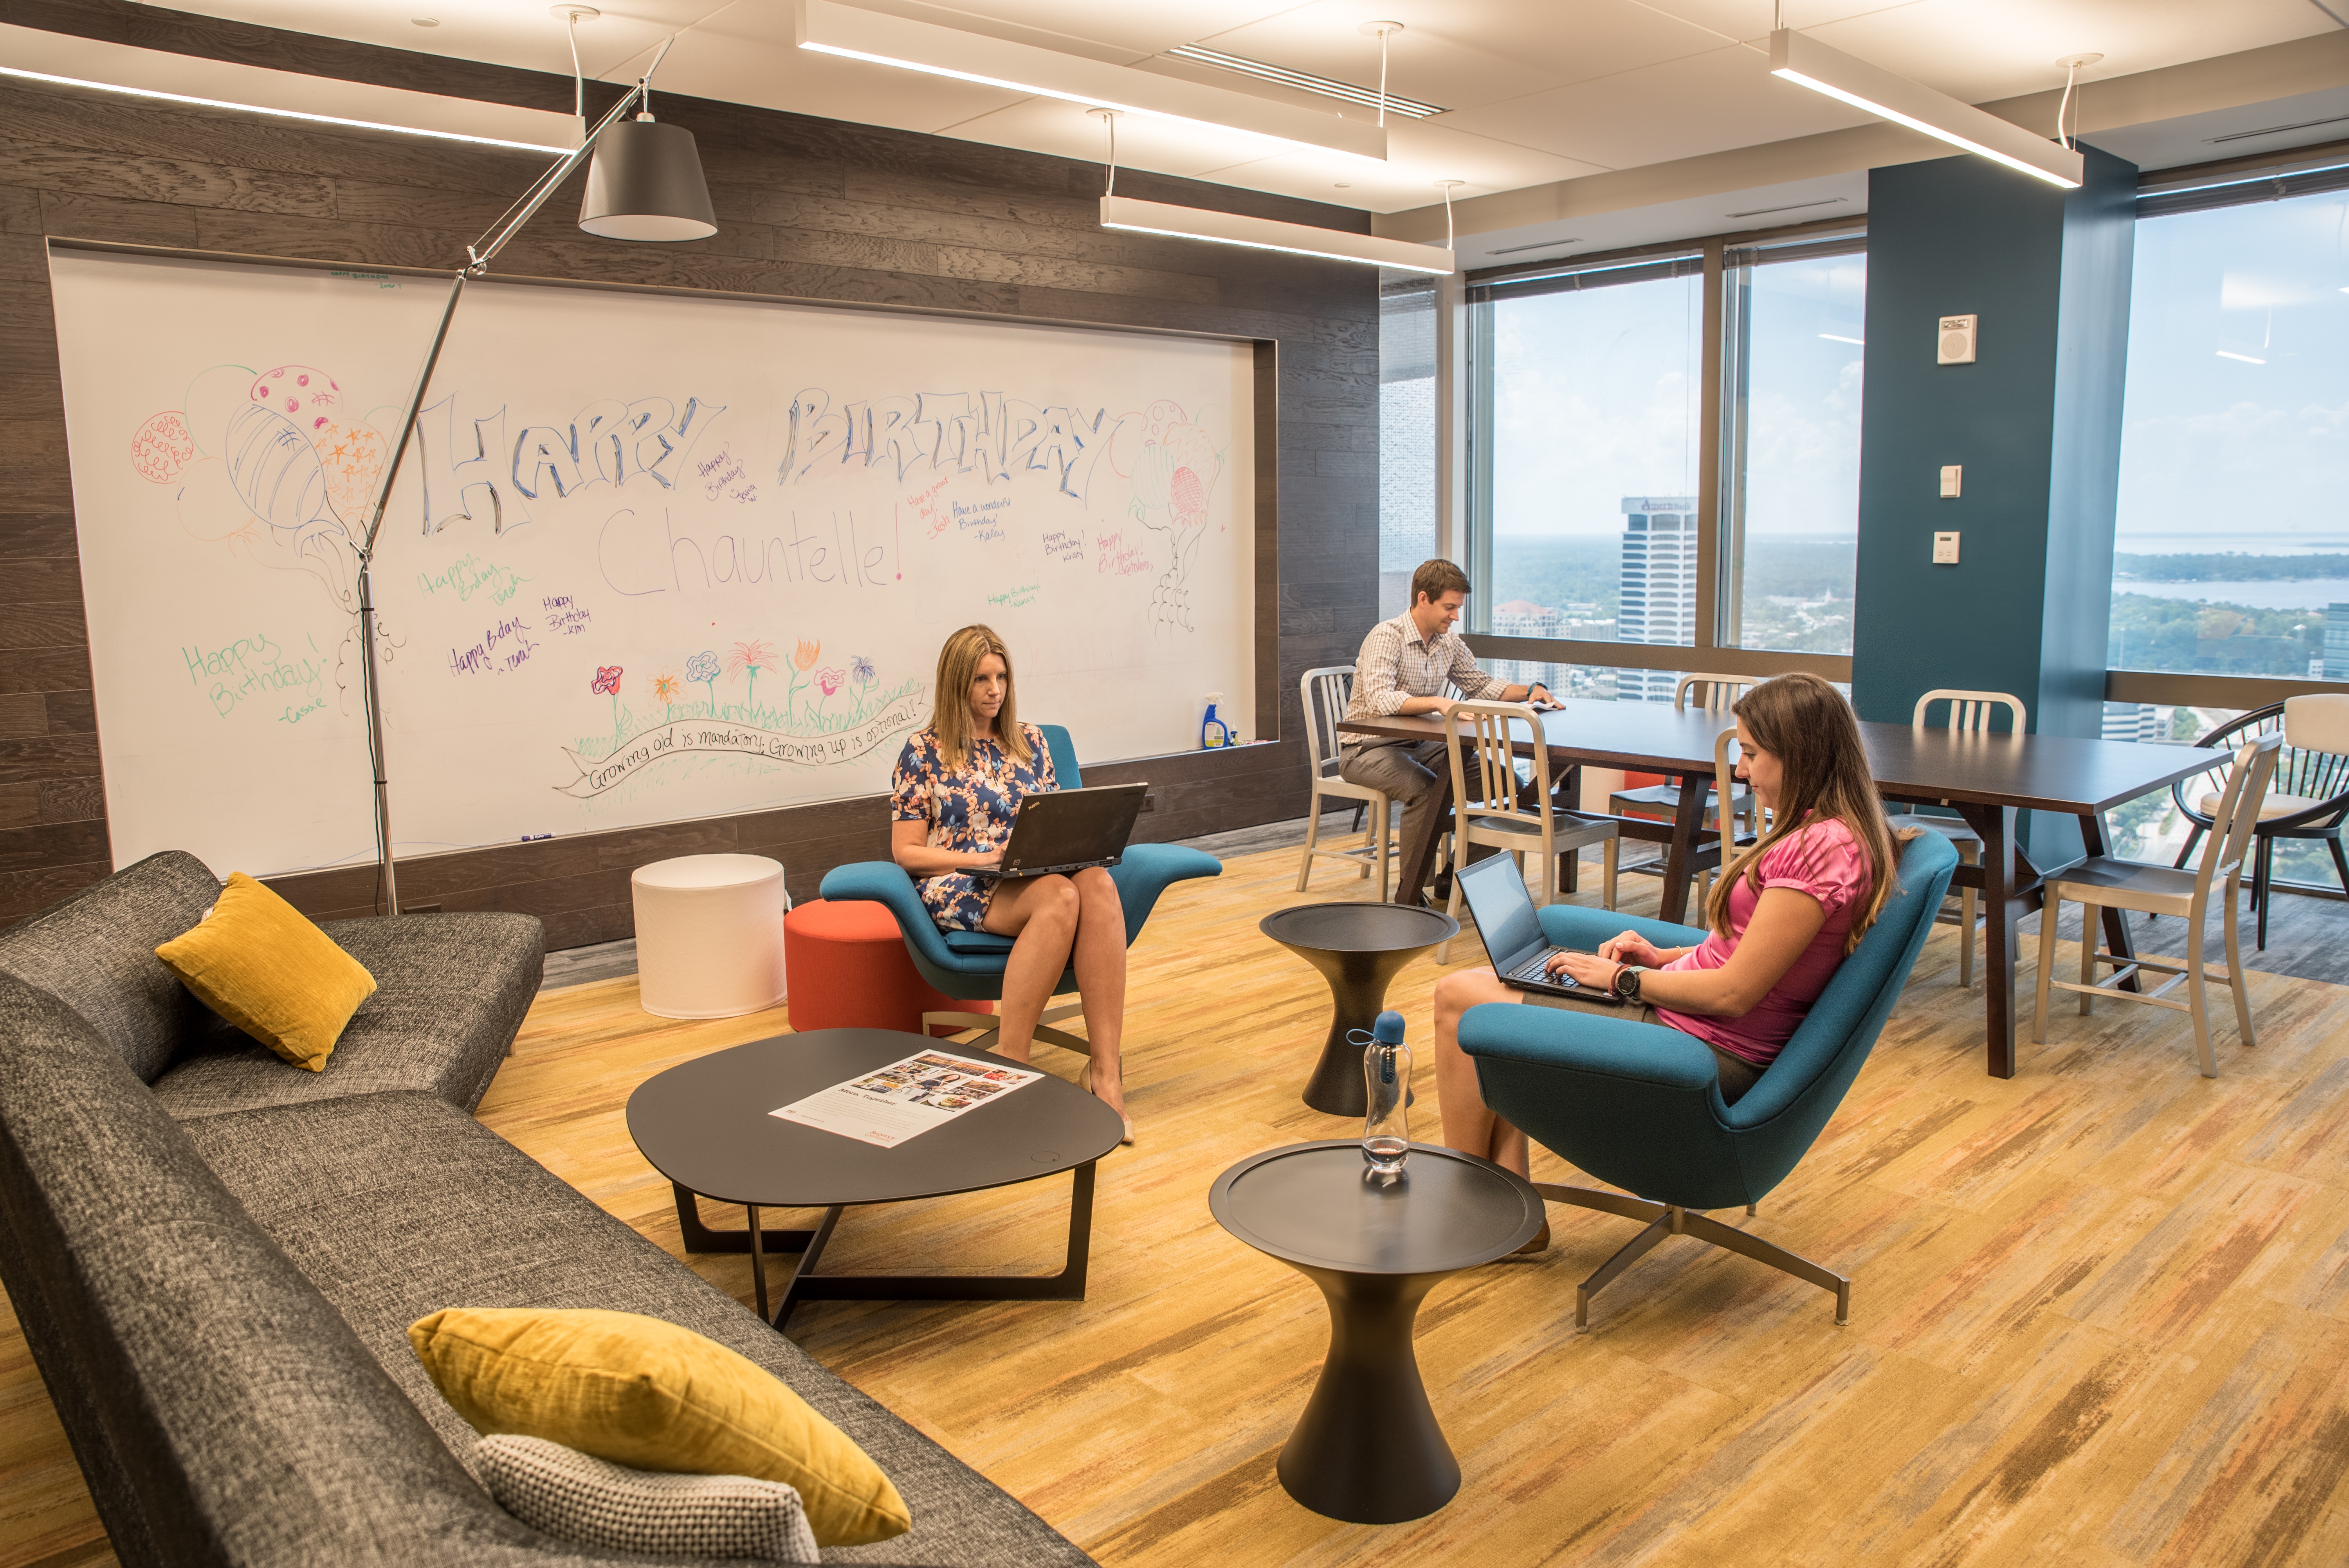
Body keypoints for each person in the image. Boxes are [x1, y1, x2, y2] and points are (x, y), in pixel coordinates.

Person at [1430, 672, 1909, 1247]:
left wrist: (1625, 978)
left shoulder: (1817, 850)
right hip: (1691, 1017)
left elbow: (1734, 993)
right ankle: (1509, 1216)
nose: (1741, 771)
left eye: (1752, 755)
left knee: (1459, 997)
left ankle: (1465, 1208)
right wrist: (1666, 955)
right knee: (1497, 995)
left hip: (1702, 1043)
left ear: (1801, 754)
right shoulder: (1836, 833)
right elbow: (1752, 949)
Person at [890, 625, 1133, 1143]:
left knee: (1096, 884)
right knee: (1060, 897)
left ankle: (1106, 1074)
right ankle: (1012, 1065)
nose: (994, 689)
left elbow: (1054, 816)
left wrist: (1070, 848)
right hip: (958, 879)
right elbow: (906, 852)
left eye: (1001, 676)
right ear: (955, 683)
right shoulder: (923, 750)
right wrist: (979, 856)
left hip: (1031, 870)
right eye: (981, 679)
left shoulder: (1032, 741)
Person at [1341, 559, 1554, 897]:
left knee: (1509, 786)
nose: (1455, 616)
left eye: (1458, 608)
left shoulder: (1447, 642)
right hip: (1368, 749)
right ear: (1423, 599)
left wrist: (1530, 691)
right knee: (1427, 791)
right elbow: (1382, 700)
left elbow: (1480, 685)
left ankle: (1454, 878)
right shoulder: (1386, 636)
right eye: (1449, 607)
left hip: (1423, 746)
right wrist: (1438, 703)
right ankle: (1410, 893)